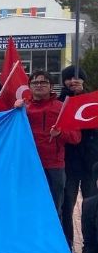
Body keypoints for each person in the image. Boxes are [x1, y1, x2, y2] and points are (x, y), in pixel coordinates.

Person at [18, 71, 80, 230]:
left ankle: (54, 248)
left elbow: (76, 137)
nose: (39, 85)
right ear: (29, 87)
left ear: (51, 86)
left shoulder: (62, 108)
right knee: (28, 208)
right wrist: (15, 110)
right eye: (35, 83)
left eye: (43, 82)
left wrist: (60, 133)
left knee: (54, 209)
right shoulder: (22, 108)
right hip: (28, 166)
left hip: (54, 166)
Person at [60, 66, 98, 249]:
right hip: (68, 162)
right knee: (67, 205)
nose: (71, 82)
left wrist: (81, 94)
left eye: (74, 78)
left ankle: (91, 245)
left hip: (91, 162)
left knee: (91, 206)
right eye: (67, 79)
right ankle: (67, 246)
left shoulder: (92, 99)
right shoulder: (61, 100)